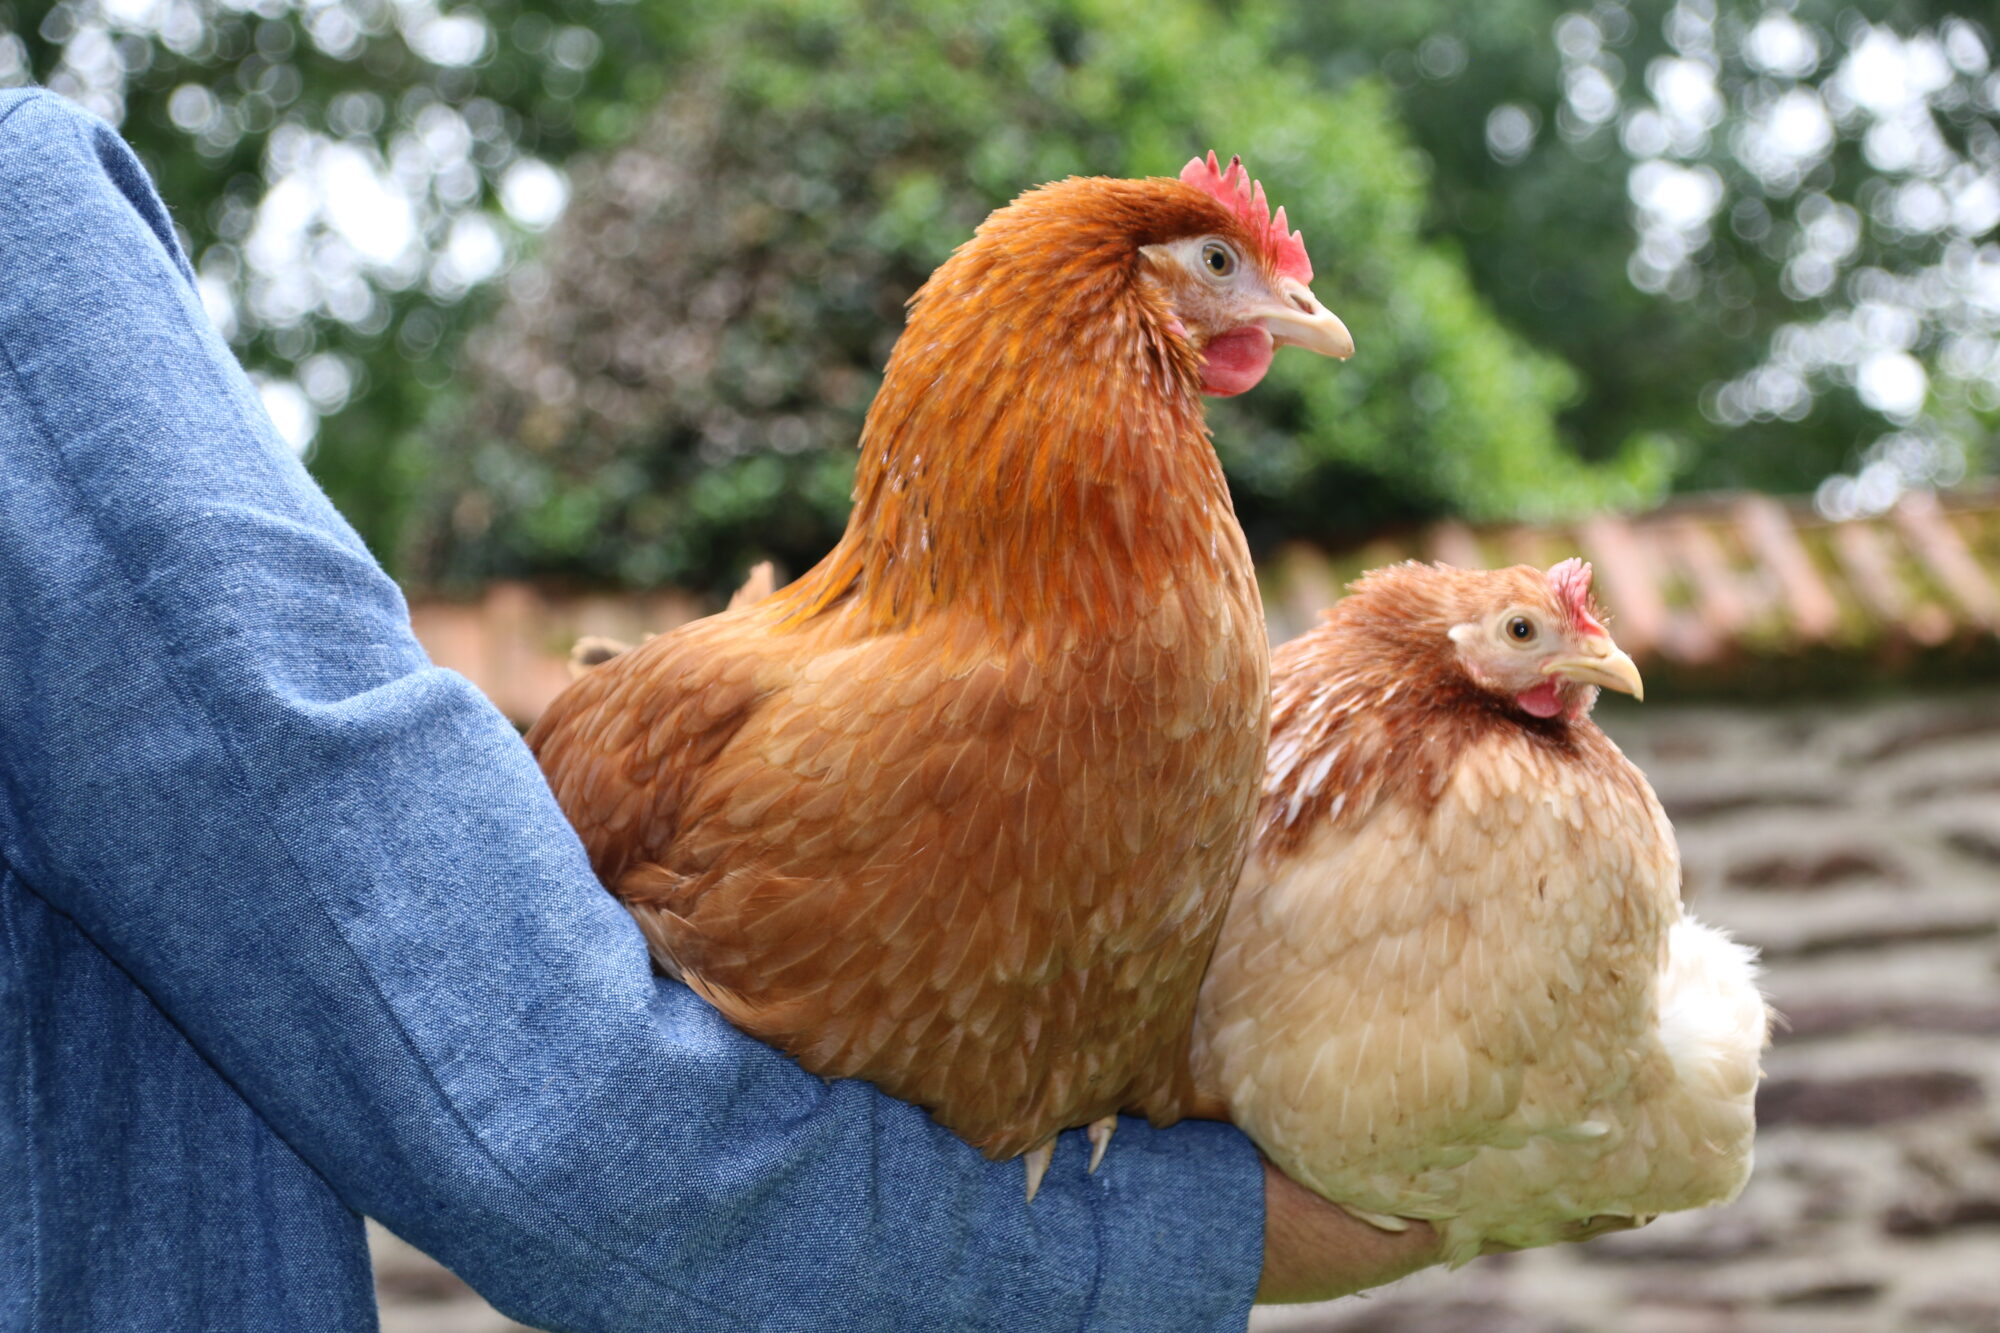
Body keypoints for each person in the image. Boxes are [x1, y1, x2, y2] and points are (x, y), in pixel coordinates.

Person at [0, 87, 1443, 1331]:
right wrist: (1199, 1237)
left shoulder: (1178, 665)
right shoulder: (24, 253)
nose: (1292, 306)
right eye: (1210, 264)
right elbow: (549, 1108)